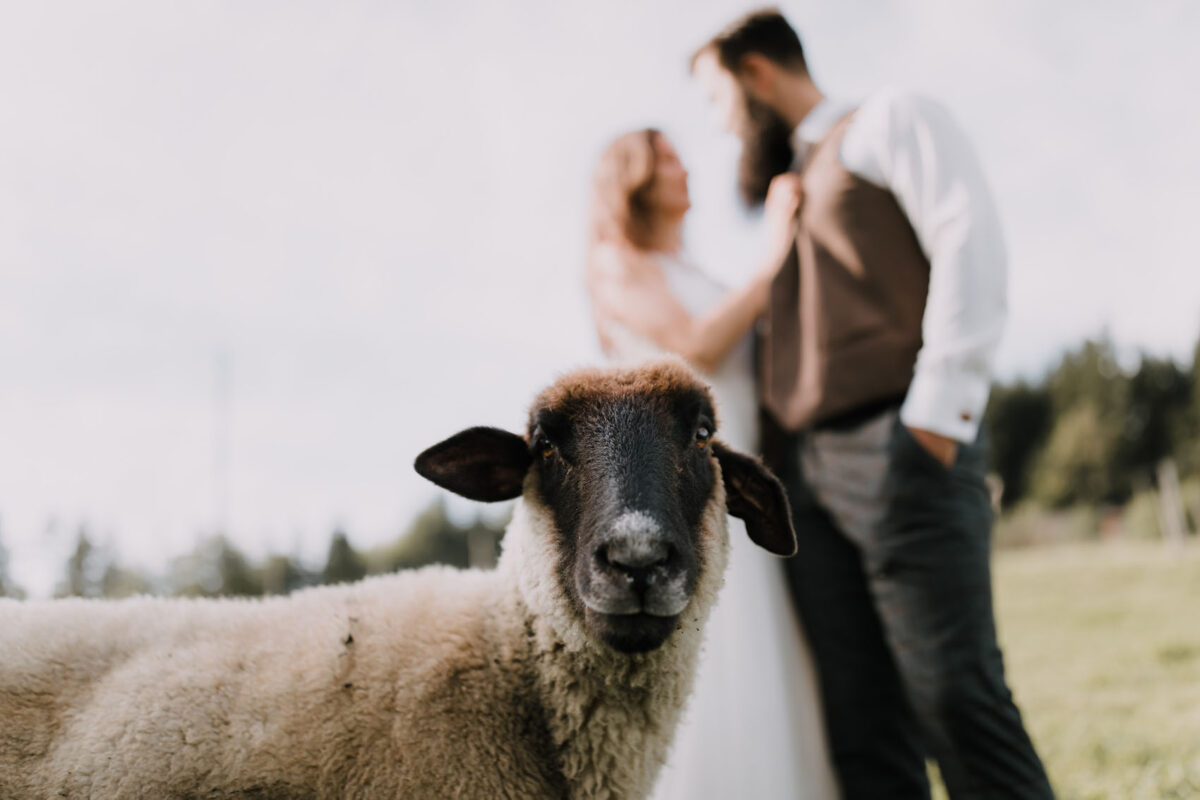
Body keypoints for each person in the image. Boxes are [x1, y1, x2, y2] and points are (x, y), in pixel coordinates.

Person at [689, 9, 1056, 799]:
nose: (721, 127)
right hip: (804, 485)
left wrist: (933, 422)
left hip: (897, 445)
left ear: (755, 72)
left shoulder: (888, 120)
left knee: (958, 703)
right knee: (861, 731)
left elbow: (969, 238)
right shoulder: (786, 196)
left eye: (717, 100)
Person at [585, 128, 839, 799]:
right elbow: (697, 343)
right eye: (666, 157)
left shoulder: (699, 272)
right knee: (723, 668)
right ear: (632, 178)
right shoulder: (616, 262)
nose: (683, 165)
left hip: (752, 485)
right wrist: (775, 256)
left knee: (773, 665)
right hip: (691, 494)